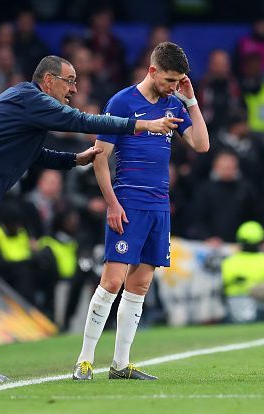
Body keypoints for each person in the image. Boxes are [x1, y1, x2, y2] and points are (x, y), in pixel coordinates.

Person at [0, 54, 182, 386]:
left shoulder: (27, 108)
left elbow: (34, 154)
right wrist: (141, 125)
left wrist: (74, 160)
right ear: (48, 81)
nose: (74, 89)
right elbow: (79, 121)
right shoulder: (29, 98)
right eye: (70, 81)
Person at [72, 42, 209, 381]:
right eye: (169, 80)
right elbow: (100, 157)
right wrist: (112, 204)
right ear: (152, 71)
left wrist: (190, 100)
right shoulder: (122, 102)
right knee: (113, 281)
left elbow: (202, 145)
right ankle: (85, 360)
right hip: (128, 202)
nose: (173, 87)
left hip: (159, 205)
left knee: (141, 284)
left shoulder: (174, 103)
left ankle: (120, 364)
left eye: (179, 81)